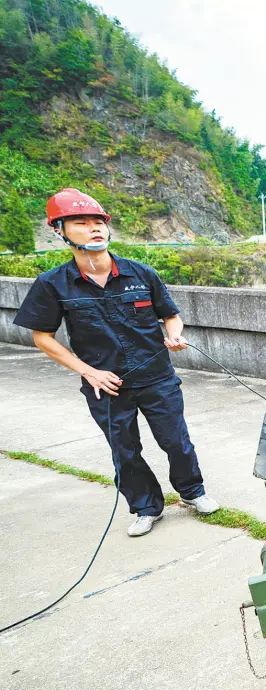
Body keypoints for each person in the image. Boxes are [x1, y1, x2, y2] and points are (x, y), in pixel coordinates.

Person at [13, 188, 220, 537]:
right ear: (60, 231)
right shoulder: (52, 284)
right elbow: (42, 337)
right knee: (125, 451)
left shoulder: (140, 274)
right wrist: (88, 371)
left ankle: (192, 492)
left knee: (176, 441)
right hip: (105, 385)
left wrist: (174, 334)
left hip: (157, 378)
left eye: (99, 222)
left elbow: (171, 315)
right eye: (81, 223)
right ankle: (146, 508)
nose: (94, 229)